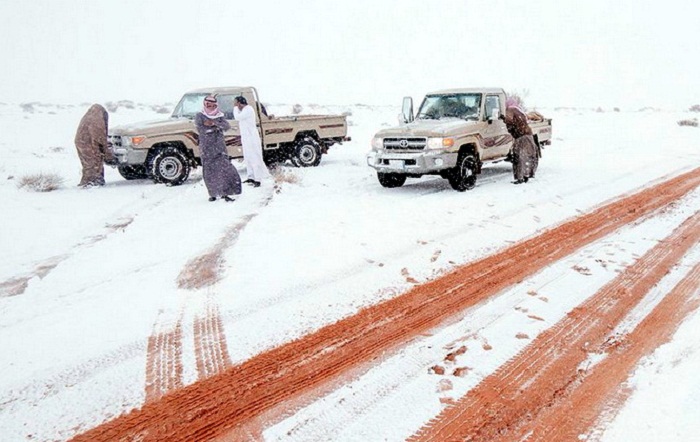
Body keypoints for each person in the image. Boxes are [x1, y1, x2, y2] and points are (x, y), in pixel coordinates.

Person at [194, 95, 241, 202]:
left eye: (212, 104)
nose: (210, 106)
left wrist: (214, 123)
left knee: (224, 170)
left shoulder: (219, 115)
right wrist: (212, 128)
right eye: (208, 104)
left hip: (219, 147)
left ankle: (226, 193)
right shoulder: (199, 115)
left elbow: (226, 126)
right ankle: (213, 194)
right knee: (209, 171)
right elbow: (200, 128)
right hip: (206, 148)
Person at [233, 96, 271, 187]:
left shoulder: (248, 109)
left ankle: (258, 179)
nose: (234, 105)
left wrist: (234, 108)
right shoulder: (243, 110)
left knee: (254, 157)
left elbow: (237, 117)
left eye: (235, 103)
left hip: (251, 138)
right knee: (248, 157)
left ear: (239, 103)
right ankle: (251, 177)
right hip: (246, 137)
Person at [75, 104, 116, 187]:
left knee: (87, 163)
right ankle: (93, 181)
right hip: (88, 142)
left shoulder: (89, 117)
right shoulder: (97, 120)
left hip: (81, 141)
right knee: (94, 162)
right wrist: (108, 153)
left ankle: (87, 180)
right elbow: (100, 138)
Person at [505, 105, 539, 184]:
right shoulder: (518, 111)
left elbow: (510, 125)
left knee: (519, 157)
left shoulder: (510, 112)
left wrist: (505, 122)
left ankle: (520, 178)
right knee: (528, 156)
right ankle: (527, 175)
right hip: (528, 135)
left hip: (521, 137)